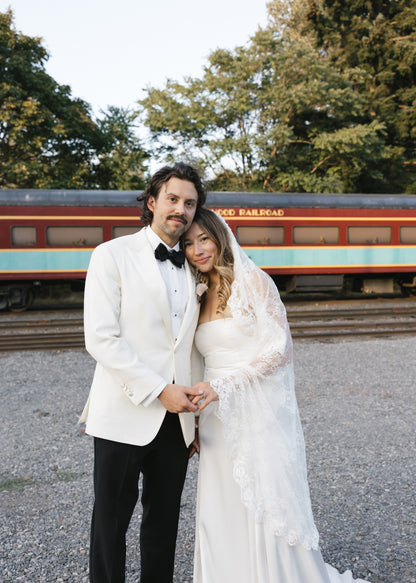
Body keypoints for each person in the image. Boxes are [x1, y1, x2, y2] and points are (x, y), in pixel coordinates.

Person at [182, 207, 370, 583]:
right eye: (188, 243)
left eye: (204, 238)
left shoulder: (255, 282)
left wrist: (223, 388)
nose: (197, 249)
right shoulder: (197, 293)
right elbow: (197, 362)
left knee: (264, 500)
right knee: (223, 504)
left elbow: (279, 350)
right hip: (216, 418)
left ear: (220, 237)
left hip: (256, 410)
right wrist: (196, 419)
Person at [79, 162, 206, 583]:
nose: (181, 209)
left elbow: (194, 345)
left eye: (189, 203)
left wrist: (196, 415)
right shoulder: (111, 255)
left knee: (164, 523)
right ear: (152, 202)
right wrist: (158, 391)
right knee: (110, 524)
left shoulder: (196, 265)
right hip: (122, 412)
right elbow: (101, 338)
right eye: (172, 199)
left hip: (178, 420)